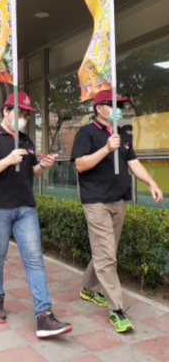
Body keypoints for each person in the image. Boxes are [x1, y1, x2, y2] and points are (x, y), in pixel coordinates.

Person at [0, 92, 71, 337]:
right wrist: (7, 160)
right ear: (5, 111)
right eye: (19, 113)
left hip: (25, 208)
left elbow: (30, 172)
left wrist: (43, 165)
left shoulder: (27, 140)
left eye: (26, 114)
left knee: (34, 260)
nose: (23, 118)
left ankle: (44, 316)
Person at [72, 90, 163, 333]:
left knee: (106, 252)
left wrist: (151, 183)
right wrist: (105, 150)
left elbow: (133, 162)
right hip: (96, 202)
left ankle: (88, 288)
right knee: (107, 256)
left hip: (119, 200)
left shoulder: (121, 133)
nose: (119, 109)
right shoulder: (86, 132)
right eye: (113, 105)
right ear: (99, 108)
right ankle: (117, 309)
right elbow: (79, 165)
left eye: (120, 105)